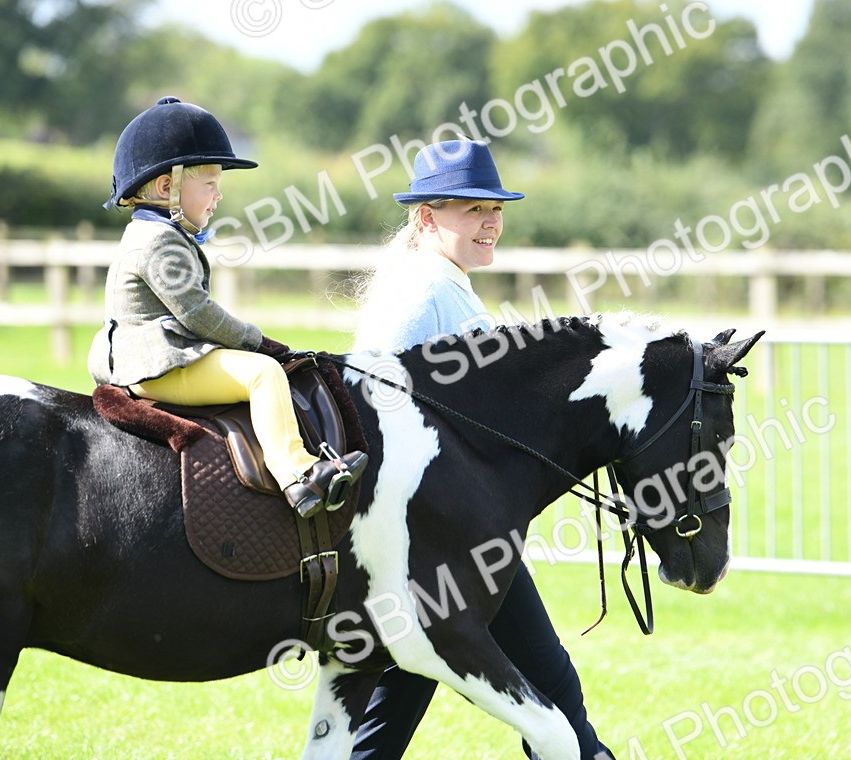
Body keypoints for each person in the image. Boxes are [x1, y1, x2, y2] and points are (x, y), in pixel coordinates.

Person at [351, 139, 614, 760]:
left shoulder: (445, 286)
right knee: (550, 687)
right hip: (448, 536)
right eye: (470, 210)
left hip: (447, 532)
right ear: (426, 217)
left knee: (402, 689)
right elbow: (371, 402)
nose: (490, 221)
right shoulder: (424, 295)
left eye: (494, 208)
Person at [88, 96, 364, 517]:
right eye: (211, 184)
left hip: (162, 359)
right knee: (263, 374)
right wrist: (258, 342)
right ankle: (299, 474)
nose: (218, 196)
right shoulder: (158, 241)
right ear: (168, 188)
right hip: (159, 366)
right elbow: (197, 313)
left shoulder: (154, 234)